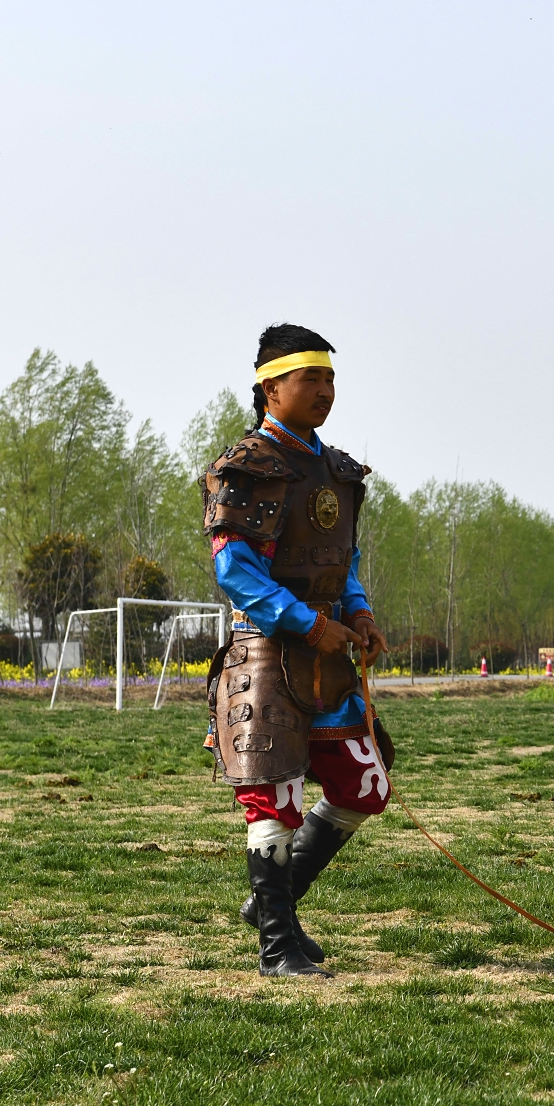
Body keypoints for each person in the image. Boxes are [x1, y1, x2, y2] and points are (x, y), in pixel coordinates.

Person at [201, 324, 390, 977]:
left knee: (365, 785)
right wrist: (307, 622)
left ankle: (272, 901)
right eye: (311, 378)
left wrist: (358, 611)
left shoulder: (336, 470)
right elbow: (236, 571)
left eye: (331, 378)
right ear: (271, 386)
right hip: (267, 658)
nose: (325, 390)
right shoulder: (247, 467)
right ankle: (277, 942)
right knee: (274, 799)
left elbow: (347, 559)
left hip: (331, 659)